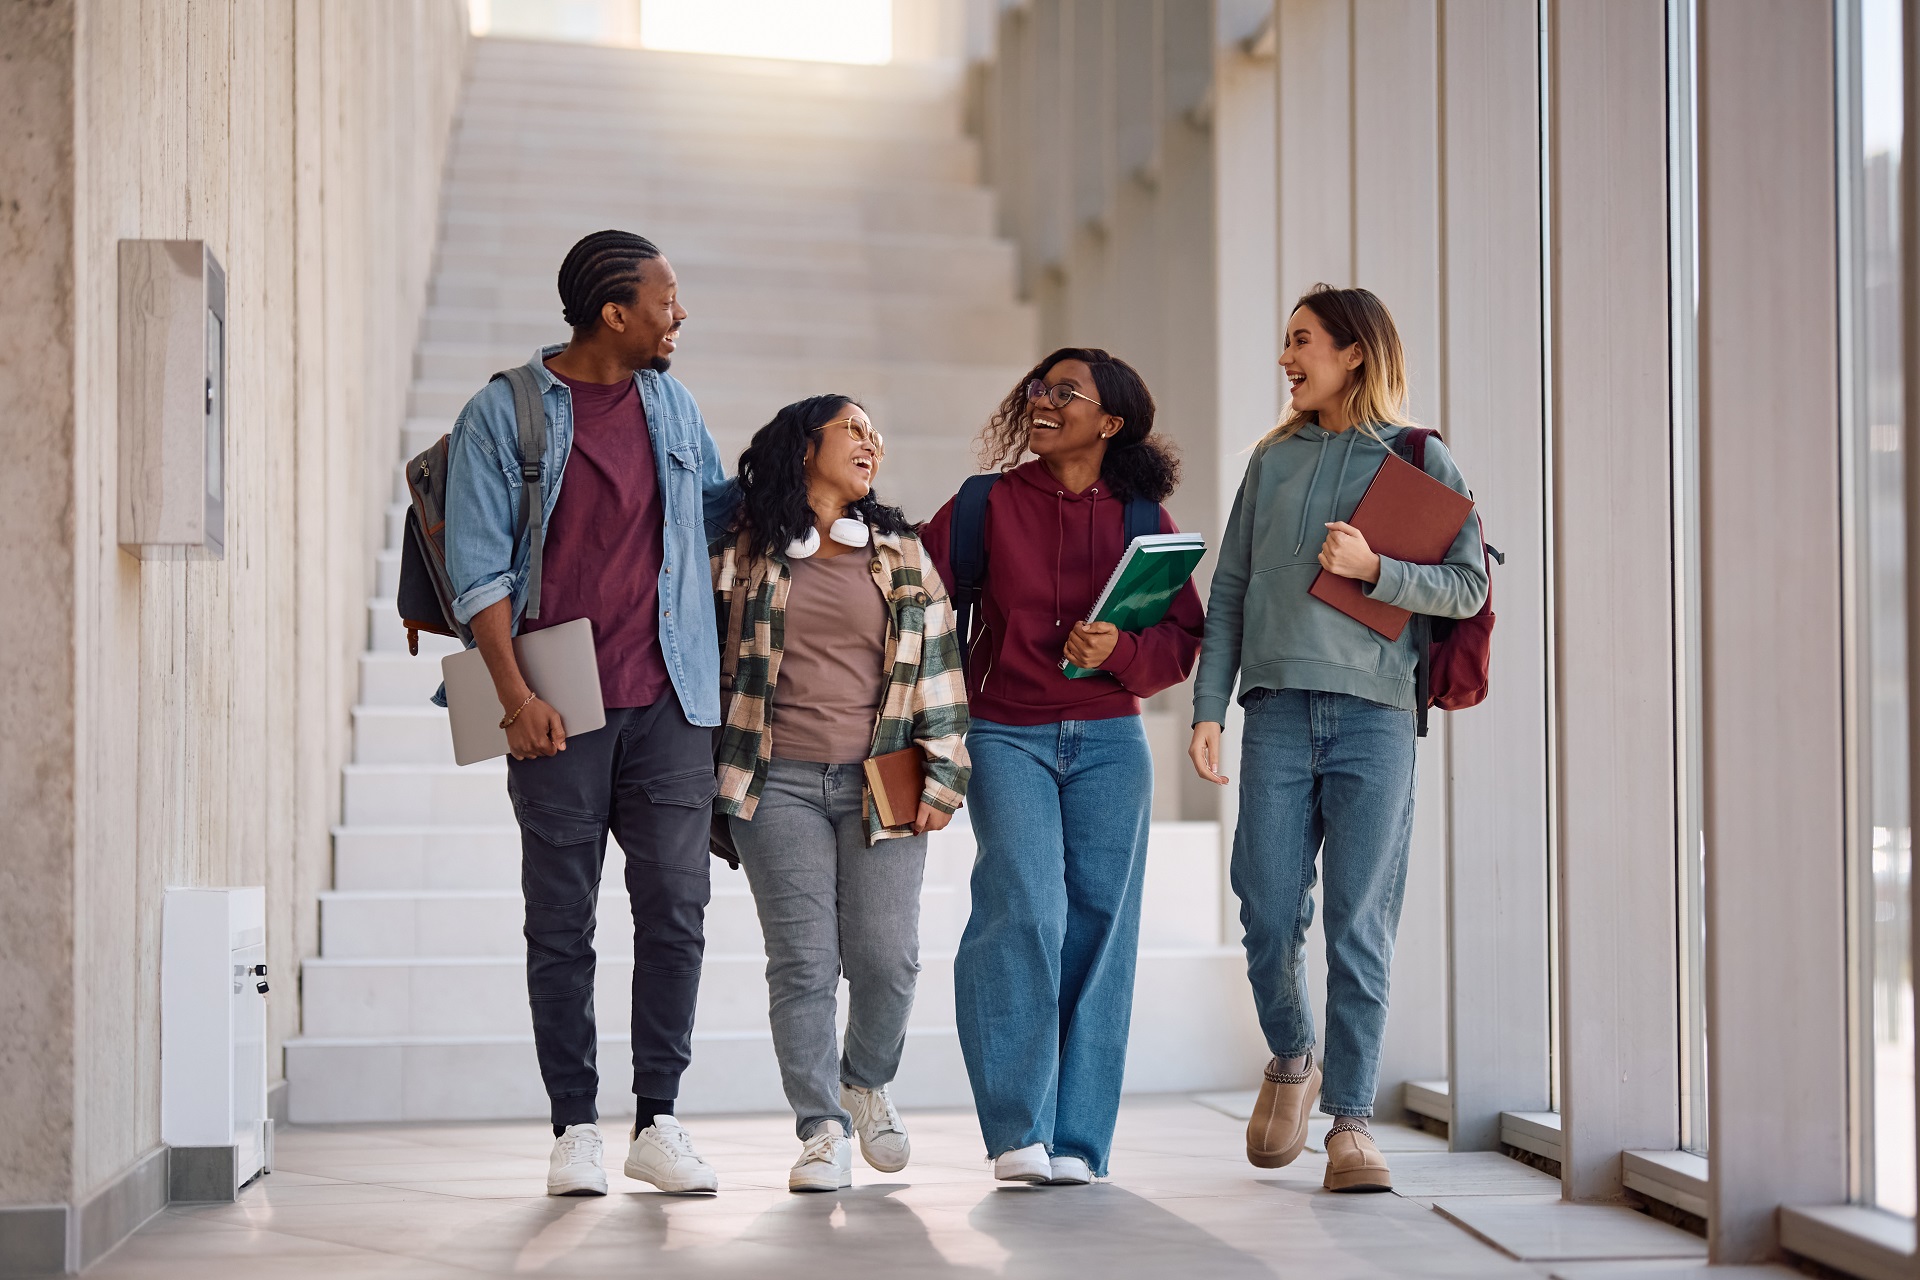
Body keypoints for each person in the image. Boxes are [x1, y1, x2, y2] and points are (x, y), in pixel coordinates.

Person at [442, 230, 739, 1198]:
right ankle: (575, 1124)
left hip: (673, 701)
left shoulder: (674, 405)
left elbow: (720, 519)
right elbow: (478, 567)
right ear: (617, 311)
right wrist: (515, 699)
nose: (679, 313)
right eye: (667, 296)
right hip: (558, 708)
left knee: (677, 913)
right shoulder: (506, 412)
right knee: (560, 921)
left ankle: (659, 1119)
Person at [1188, 284, 1489, 1193]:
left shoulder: (1420, 456)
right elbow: (1229, 594)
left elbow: (1467, 588)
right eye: (1286, 344)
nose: (1287, 359)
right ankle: (1292, 1055)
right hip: (1276, 710)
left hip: (1376, 718)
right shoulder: (1269, 465)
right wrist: (1209, 708)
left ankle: (1351, 1125)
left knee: (1362, 924)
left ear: (1355, 352)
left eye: (1302, 342)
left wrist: (1377, 569)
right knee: (1268, 906)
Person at [922, 348, 1204, 1186]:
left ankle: (1079, 1141)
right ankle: (1018, 1127)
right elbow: (918, 604)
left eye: (1065, 393)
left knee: (1100, 930)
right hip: (1007, 733)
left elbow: (1181, 641)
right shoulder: (984, 504)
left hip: (1112, 741)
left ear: (1108, 422)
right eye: (1040, 389)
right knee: (1025, 910)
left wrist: (1122, 649)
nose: (1044, 401)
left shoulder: (1143, 520)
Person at [712, 395, 971, 1193]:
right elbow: (703, 655)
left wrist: (946, 773)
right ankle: (821, 1127)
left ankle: (865, 1081)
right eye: (853, 429)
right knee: (802, 963)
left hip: (883, 777)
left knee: (887, 959)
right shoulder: (747, 551)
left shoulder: (900, 553)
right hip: (776, 777)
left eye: (875, 432)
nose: (871, 442)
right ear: (805, 446)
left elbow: (940, 665)